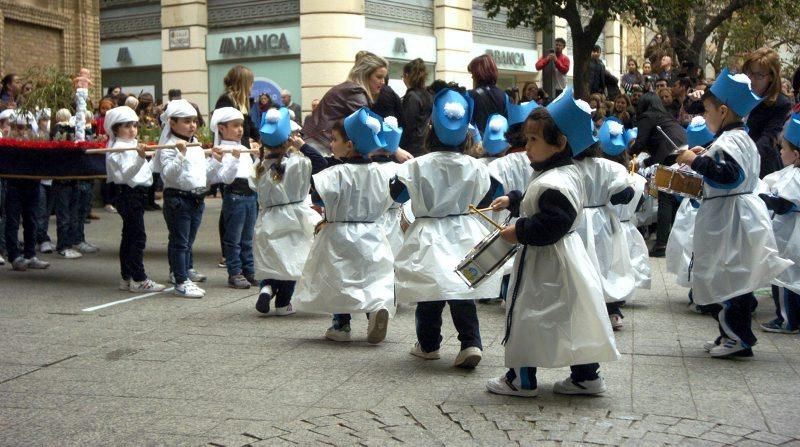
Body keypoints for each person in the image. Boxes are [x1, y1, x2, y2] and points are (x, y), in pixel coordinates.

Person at [485, 89, 619, 397]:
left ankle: (521, 378)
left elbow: (551, 220)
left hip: (544, 264)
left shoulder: (553, 180)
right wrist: (515, 200)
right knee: (574, 315)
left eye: (533, 140)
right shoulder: (562, 172)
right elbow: (539, 202)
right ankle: (586, 375)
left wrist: (519, 231)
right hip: (568, 260)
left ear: (559, 143)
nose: (527, 146)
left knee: (526, 315)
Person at [675, 68, 792, 358]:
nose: (704, 116)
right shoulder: (736, 137)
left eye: (708, 110)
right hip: (729, 216)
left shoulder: (732, 140)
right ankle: (729, 333)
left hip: (731, 219)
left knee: (730, 280)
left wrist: (695, 161)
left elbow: (729, 175)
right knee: (723, 276)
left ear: (723, 110)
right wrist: (705, 156)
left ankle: (738, 338)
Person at [392, 86, 502, 368]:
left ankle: (428, 345)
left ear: (431, 131)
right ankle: (471, 342)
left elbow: (397, 194)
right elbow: (492, 193)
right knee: (462, 290)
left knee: (430, 291)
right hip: (466, 233)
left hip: (428, 234)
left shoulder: (417, 165)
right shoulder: (476, 166)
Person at [293, 107, 394, 344]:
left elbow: (318, 198)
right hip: (372, 231)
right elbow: (394, 195)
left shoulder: (336, 173)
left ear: (349, 145)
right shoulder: (380, 172)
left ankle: (341, 325)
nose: (331, 144)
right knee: (369, 276)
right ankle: (375, 310)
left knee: (338, 278)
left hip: (339, 233)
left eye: (334, 139)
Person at [253, 107, 325, 316]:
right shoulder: (299, 162)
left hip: (268, 217)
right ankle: (283, 304)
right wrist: (303, 146)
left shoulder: (259, 166)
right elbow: (321, 163)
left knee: (274, 259)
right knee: (293, 262)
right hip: (295, 216)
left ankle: (267, 287)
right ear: (289, 140)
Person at [157, 99, 224, 298]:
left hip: (196, 199)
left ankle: (181, 271)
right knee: (180, 241)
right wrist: (180, 154)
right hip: (177, 199)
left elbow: (203, 174)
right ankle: (181, 280)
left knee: (187, 241)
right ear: (172, 123)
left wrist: (216, 161)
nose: (192, 125)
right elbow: (168, 174)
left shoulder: (195, 143)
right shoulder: (169, 145)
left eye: (194, 121)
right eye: (186, 121)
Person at [104, 106, 166, 292]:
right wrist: (140, 158)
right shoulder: (117, 149)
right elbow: (126, 175)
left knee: (129, 236)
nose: (132, 130)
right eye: (126, 126)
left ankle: (127, 276)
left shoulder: (131, 145)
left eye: (134, 125)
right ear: (115, 129)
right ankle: (139, 279)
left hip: (137, 194)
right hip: (127, 194)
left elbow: (145, 172)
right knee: (137, 237)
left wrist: (151, 158)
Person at [629, 92, 687, 256]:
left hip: (669, 155)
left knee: (665, 199)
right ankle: (674, 241)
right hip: (682, 151)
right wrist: (645, 162)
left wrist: (628, 153)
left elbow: (640, 142)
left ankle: (661, 244)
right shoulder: (665, 116)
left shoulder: (647, 116)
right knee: (675, 199)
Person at [303, 51, 392, 157]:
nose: (382, 82)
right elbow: (367, 127)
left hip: (318, 142)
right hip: (322, 146)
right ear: (365, 75)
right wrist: (394, 150)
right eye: (379, 77)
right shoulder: (355, 92)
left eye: (383, 78)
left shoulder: (349, 88)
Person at [758, 114, 800, 333]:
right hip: (793, 231)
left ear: (796, 154)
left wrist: (764, 199)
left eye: (783, 148)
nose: (780, 152)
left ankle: (786, 320)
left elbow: (784, 204)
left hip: (791, 233)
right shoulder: (791, 172)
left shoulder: (795, 176)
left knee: (784, 276)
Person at [211, 107, 258, 289]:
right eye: (235, 126)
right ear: (222, 129)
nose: (240, 130)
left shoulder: (242, 147)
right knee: (234, 238)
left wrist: (257, 159)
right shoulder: (221, 150)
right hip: (235, 195)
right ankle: (235, 272)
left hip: (250, 196)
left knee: (247, 238)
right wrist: (236, 159)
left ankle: (249, 270)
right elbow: (226, 178)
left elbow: (253, 174)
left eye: (241, 126)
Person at [742, 47, 792, 178]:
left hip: (759, 167)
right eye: (750, 73)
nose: (751, 79)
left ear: (771, 77)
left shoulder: (781, 103)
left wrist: (742, 160)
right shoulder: (741, 90)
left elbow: (768, 139)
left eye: (759, 75)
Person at [398, 59, 432, 156]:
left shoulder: (412, 96)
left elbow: (408, 124)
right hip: (424, 145)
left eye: (402, 76)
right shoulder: (428, 94)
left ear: (407, 76)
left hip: (411, 147)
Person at [468, 54, 507, 136]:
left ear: (478, 74)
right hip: (500, 143)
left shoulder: (470, 96)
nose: (472, 77)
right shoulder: (504, 96)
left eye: (473, 73)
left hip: (478, 144)